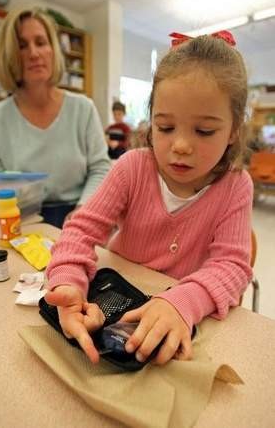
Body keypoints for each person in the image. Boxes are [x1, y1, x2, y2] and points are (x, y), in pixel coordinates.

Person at [45, 31, 253, 366]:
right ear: (151, 121)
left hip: (176, 319)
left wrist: (183, 301)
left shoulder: (235, 185)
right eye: (166, 127)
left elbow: (232, 267)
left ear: (233, 131)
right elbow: (80, 231)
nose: (181, 145)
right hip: (114, 300)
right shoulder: (132, 168)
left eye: (204, 131)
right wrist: (68, 281)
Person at [0, 7, 111, 228]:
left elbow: (100, 168)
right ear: (8, 55)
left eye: (41, 42)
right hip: (22, 220)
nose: (34, 53)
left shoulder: (83, 108)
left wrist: (83, 210)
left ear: (53, 49)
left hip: (79, 214)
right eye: (22, 46)